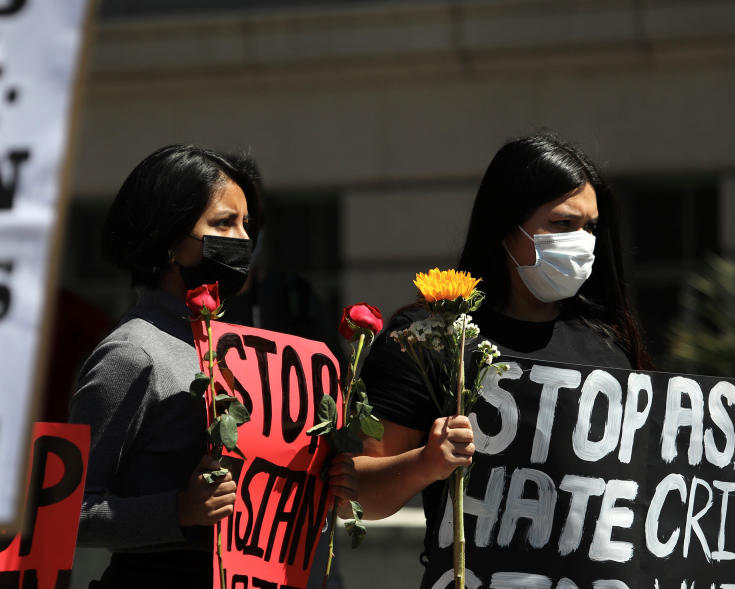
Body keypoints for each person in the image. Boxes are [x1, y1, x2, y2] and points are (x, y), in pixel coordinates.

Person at [353, 133, 653, 586]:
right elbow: (356, 495)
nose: (582, 242)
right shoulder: (430, 341)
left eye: (590, 227)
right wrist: (425, 463)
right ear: (506, 228)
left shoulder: (608, 345)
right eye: (562, 224)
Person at [69, 145, 355, 588]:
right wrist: (181, 510)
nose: (244, 241)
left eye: (247, 225)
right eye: (224, 223)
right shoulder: (132, 352)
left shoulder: (238, 348)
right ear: (168, 242)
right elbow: (69, 514)